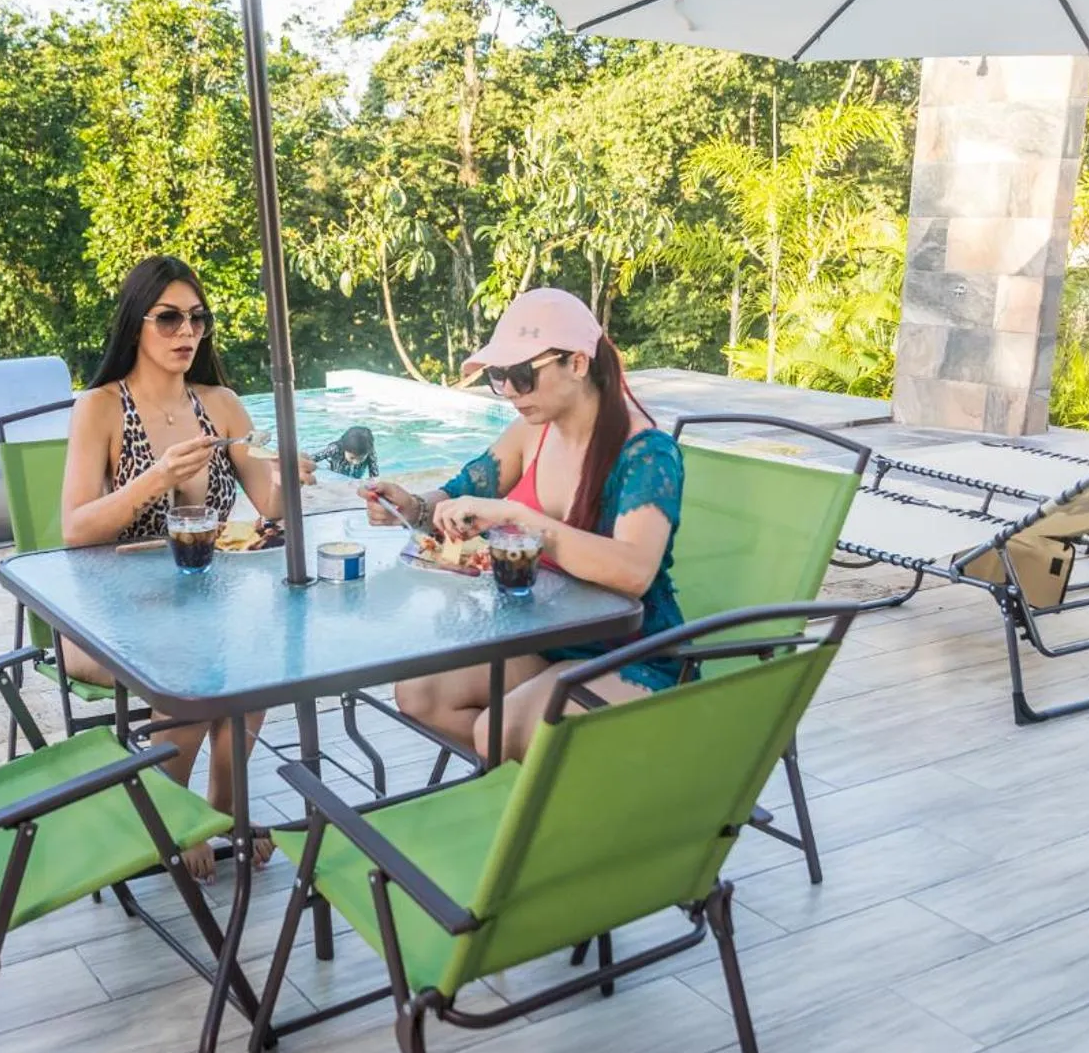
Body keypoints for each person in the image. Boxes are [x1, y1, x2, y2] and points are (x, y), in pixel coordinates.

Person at [361, 288, 689, 765]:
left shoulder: (646, 453)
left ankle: (564, 796)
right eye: (498, 376)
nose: (510, 391)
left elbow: (634, 571)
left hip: (635, 657)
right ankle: (543, 788)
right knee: (420, 692)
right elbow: (460, 491)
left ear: (578, 363)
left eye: (521, 375)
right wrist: (411, 507)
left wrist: (522, 519)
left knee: (501, 729)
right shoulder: (531, 432)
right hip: (549, 643)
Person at [60, 254, 311, 877]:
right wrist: (155, 477)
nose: (187, 332)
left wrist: (292, 475)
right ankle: (172, 813)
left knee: (258, 657)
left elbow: (270, 505)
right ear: (135, 324)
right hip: (104, 614)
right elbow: (75, 529)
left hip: (203, 605)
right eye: (168, 318)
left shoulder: (221, 404)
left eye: (197, 319)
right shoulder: (100, 407)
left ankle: (222, 810)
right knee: (198, 664)